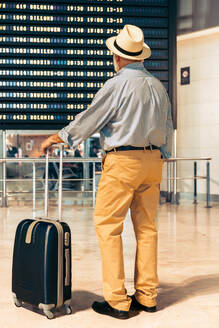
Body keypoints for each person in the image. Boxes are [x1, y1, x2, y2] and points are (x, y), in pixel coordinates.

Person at [38, 25, 173, 320]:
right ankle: (147, 297)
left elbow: (90, 119)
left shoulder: (118, 84)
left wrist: (56, 137)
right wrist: (161, 156)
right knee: (147, 230)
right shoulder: (157, 86)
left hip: (123, 161)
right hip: (153, 162)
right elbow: (168, 128)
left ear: (118, 57)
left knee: (108, 227)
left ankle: (117, 301)